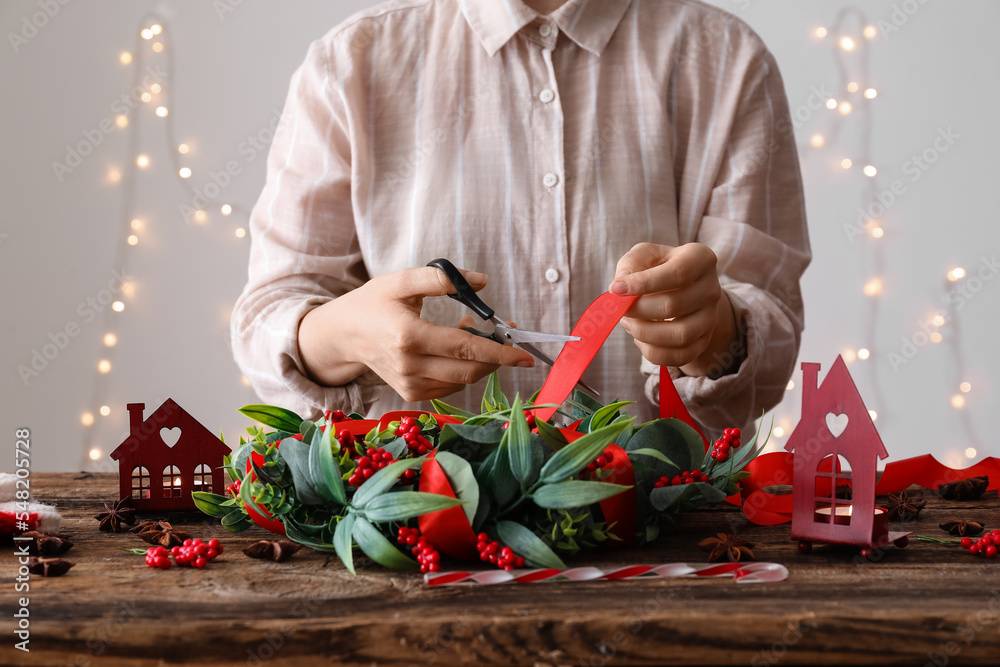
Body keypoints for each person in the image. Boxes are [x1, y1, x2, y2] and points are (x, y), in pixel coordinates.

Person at [231, 0, 811, 435]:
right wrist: (344, 336)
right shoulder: (349, 63)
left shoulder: (728, 61)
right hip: (412, 545)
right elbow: (267, 317)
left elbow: (769, 336)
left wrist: (713, 334)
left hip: (661, 546)